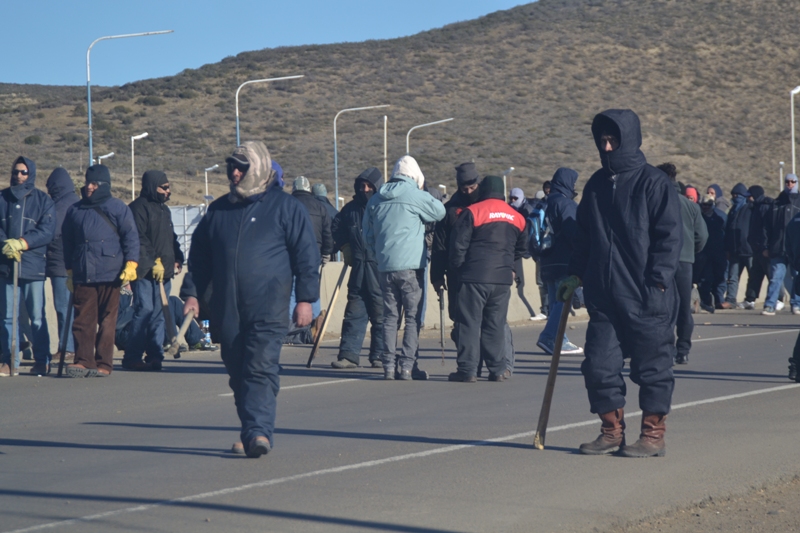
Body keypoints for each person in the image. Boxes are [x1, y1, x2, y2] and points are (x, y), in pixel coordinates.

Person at [181, 141, 319, 458]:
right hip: (227, 308)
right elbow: (199, 259)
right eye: (231, 166)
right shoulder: (218, 211)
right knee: (238, 371)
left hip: (268, 305)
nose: (234, 172)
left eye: (241, 167)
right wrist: (191, 294)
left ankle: (258, 431)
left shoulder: (286, 208)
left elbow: (306, 257)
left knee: (260, 367)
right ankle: (251, 429)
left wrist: (306, 299)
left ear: (257, 168)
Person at [560, 109, 681, 458]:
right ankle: (611, 432)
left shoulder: (654, 183)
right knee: (598, 365)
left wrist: (658, 283)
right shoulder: (596, 185)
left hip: (647, 295)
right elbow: (584, 237)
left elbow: (670, 238)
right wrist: (575, 273)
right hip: (604, 296)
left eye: (613, 140)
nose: (608, 147)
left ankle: (652, 436)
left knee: (652, 368)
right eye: (603, 141)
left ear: (629, 139)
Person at [363, 155, 445, 380]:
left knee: (390, 317)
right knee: (412, 317)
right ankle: (407, 366)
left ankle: (389, 366)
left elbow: (367, 234)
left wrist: (379, 256)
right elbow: (439, 212)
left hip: (385, 267)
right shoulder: (415, 195)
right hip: (411, 266)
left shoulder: (376, 199)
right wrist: (422, 192)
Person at [448, 175, 527, 382]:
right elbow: (522, 248)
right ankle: (498, 369)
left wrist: (458, 269)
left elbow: (458, 245)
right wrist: (509, 265)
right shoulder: (516, 217)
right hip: (502, 280)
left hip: (474, 276)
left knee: (469, 323)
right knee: (495, 324)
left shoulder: (473, 211)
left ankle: (468, 370)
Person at [62, 165, 139, 378]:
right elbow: (67, 243)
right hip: (83, 272)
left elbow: (131, 237)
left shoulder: (118, 207)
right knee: (83, 319)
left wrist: (131, 263)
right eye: (88, 182)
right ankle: (83, 361)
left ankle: (104, 362)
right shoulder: (74, 210)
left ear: (104, 185)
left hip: (111, 273)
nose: (89, 187)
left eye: (94, 183)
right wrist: (69, 270)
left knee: (107, 320)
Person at [123, 170, 184, 371]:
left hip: (164, 273)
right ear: (152, 187)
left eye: (168, 187)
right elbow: (138, 239)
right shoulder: (137, 208)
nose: (167, 191)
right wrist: (153, 260)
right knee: (145, 310)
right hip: (144, 272)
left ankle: (155, 355)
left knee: (159, 314)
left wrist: (177, 258)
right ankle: (132, 356)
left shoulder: (164, 210)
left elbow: (171, 238)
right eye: (164, 187)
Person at [0, 156, 55, 377]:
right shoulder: (2, 197)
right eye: (16, 171)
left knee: (37, 315)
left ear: (30, 173)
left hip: (33, 266)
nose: (19, 175)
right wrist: (5, 244)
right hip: (7, 266)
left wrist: (23, 243)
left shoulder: (43, 200)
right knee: (7, 316)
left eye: (23, 172)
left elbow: (47, 230)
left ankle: (42, 360)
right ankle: (10, 361)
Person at [330, 168, 385, 369]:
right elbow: (336, 227)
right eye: (362, 186)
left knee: (381, 314)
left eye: (369, 186)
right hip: (359, 269)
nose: (365, 189)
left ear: (377, 187)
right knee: (354, 313)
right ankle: (349, 355)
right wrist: (345, 246)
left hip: (379, 269)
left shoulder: (383, 207)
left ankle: (380, 355)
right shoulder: (349, 210)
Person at [657, 163, 707, 365]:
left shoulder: (655, 201)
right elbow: (702, 235)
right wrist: (690, 251)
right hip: (685, 262)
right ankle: (683, 349)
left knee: (663, 306)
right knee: (684, 307)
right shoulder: (690, 205)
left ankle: (666, 348)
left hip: (661, 261)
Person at [536, 168, 584, 357]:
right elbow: (574, 233)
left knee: (555, 301)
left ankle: (560, 340)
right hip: (564, 261)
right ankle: (550, 337)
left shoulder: (545, 203)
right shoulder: (565, 204)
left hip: (546, 261)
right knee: (563, 301)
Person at [45, 168, 80, 366]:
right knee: (71, 308)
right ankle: (72, 347)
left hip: (61, 265)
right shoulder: (75, 201)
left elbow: (50, 233)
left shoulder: (61, 206)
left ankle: (67, 348)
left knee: (63, 307)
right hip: (72, 264)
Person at [290, 176, 333, 321]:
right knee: (312, 287)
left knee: (292, 290)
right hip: (314, 254)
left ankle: (292, 325)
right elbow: (327, 232)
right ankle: (313, 322)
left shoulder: (288, 204)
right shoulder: (319, 206)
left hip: (292, 254)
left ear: (293, 188)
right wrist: (326, 253)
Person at [762, 173, 800, 316]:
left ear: (797, 183)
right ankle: (770, 305)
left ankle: (797, 304)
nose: (790, 184)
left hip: (796, 249)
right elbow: (766, 227)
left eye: (793, 181)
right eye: (787, 182)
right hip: (778, 247)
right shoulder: (776, 203)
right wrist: (765, 246)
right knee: (776, 277)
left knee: (797, 277)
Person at [508, 187, 539, 320]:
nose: (513, 201)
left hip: (531, 247)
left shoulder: (528, 210)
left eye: (515, 198)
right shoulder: (509, 210)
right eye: (511, 198)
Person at [722, 183, 753, 308]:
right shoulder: (732, 211)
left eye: (737, 195)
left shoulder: (750, 209)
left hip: (749, 250)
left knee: (753, 276)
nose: (735, 197)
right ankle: (730, 300)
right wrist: (727, 249)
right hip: (734, 250)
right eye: (733, 195)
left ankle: (750, 299)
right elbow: (728, 231)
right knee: (732, 276)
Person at [695, 195, 727, 312]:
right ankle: (706, 301)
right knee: (705, 279)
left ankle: (719, 299)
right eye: (704, 205)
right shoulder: (699, 217)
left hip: (718, 252)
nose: (706, 207)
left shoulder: (720, 217)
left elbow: (726, 233)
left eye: (708, 205)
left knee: (719, 277)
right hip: (703, 253)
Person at [745, 185, 775, 309]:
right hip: (757, 248)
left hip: (763, 248)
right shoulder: (756, 207)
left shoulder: (764, 207)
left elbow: (765, 229)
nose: (748, 198)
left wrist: (765, 246)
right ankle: (750, 299)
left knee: (771, 275)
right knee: (755, 275)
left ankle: (778, 298)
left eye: (750, 196)